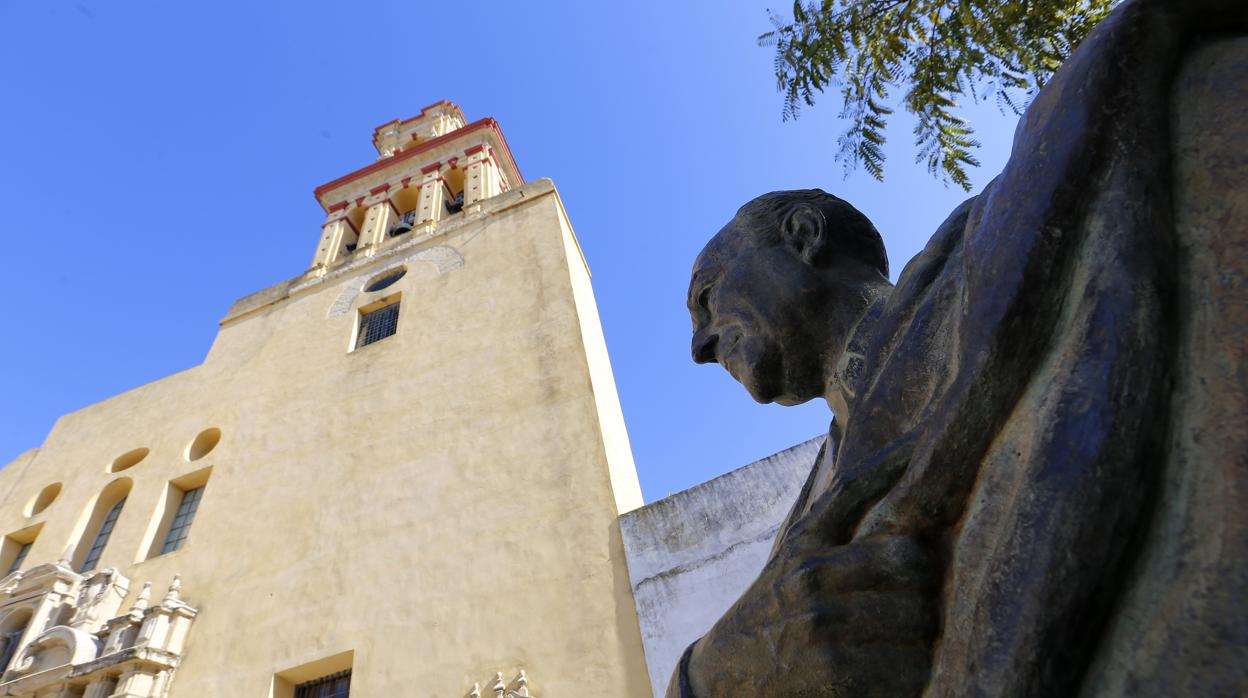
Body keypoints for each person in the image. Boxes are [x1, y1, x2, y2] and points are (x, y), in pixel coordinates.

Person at [671, 0, 1247, 695]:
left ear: (801, 235)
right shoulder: (805, 532)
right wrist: (727, 664)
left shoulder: (1030, 222)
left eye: (708, 298)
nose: (702, 347)